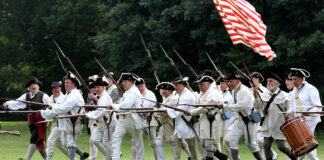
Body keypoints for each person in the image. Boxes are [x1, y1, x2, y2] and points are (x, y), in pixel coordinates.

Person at [39, 71, 86, 160]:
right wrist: (46, 113)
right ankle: (81, 154)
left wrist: (43, 112)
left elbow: (62, 109)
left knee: (68, 143)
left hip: (74, 122)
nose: (65, 85)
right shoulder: (68, 94)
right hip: (67, 123)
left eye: (67, 83)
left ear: (73, 84)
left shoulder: (72, 95)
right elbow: (59, 108)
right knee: (64, 144)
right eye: (65, 83)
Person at [217, 73, 263, 160]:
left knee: (251, 145)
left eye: (231, 81)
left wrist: (224, 106)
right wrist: (224, 106)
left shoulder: (244, 90)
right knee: (232, 141)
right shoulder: (234, 90)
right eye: (228, 81)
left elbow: (240, 106)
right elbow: (235, 105)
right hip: (239, 119)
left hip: (249, 120)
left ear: (237, 81)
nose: (229, 83)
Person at [3, 78, 49, 160]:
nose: (33, 86)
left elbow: (50, 107)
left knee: (34, 139)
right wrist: (8, 103)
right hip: (31, 121)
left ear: (38, 86)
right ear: (29, 88)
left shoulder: (43, 95)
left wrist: (47, 119)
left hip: (41, 121)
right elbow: (17, 102)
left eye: (34, 84)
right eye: (31, 85)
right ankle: (47, 159)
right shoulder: (26, 96)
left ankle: (27, 159)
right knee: (38, 141)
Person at [253, 73, 296, 160]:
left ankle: (295, 158)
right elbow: (258, 108)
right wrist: (256, 97)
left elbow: (290, 108)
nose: (268, 83)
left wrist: (288, 113)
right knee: (266, 146)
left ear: (276, 83)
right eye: (268, 81)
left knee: (281, 147)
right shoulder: (264, 94)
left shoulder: (284, 95)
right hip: (267, 125)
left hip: (279, 126)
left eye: (271, 81)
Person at [185, 75, 228, 160]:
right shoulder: (203, 94)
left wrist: (191, 113)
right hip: (205, 121)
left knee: (208, 145)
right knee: (204, 144)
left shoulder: (213, 93)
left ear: (208, 84)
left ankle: (221, 157)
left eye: (202, 84)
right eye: (199, 85)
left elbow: (205, 108)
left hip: (212, 121)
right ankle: (221, 156)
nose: (200, 86)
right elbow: (199, 105)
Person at [109, 73, 145, 160]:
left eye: (125, 81)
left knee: (138, 143)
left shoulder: (133, 92)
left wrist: (113, 106)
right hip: (123, 119)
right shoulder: (128, 92)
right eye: (122, 82)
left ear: (131, 81)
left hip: (133, 119)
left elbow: (126, 106)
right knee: (115, 139)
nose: (123, 83)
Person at [288, 68, 322, 160]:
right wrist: (289, 112)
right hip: (298, 120)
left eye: (296, 79)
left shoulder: (311, 89)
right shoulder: (294, 90)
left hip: (310, 120)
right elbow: (292, 105)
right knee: (302, 145)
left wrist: (307, 113)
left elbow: (318, 107)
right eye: (292, 79)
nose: (293, 82)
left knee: (306, 143)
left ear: (302, 79)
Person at [167, 77, 198, 160]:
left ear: (182, 85)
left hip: (188, 125)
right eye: (174, 85)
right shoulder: (181, 94)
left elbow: (178, 112)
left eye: (176, 85)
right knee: (175, 141)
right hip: (180, 125)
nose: (175, 87)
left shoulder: (187, 96)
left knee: (192, 148)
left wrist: (168, 110)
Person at [86, 76, 116, 160]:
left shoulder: (105, 98)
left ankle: (109, 157)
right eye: (95, 87)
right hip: (101, 123)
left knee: (106, 143)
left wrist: (87, 115)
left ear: (103, 87)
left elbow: (99, 112)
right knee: (95, 140)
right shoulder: (101, 97)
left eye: (97, 87)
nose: (96, 89)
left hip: (108, 123)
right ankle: (109, 156)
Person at [134, 78, 159, 160]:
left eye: (141, 86)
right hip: (140, 121)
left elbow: (144, 107)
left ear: (144, 85)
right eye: (138, 87)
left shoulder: (150, 94)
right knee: (135, 141)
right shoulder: (137, 95)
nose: (140, 88)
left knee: (153, 143)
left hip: (150, 120)